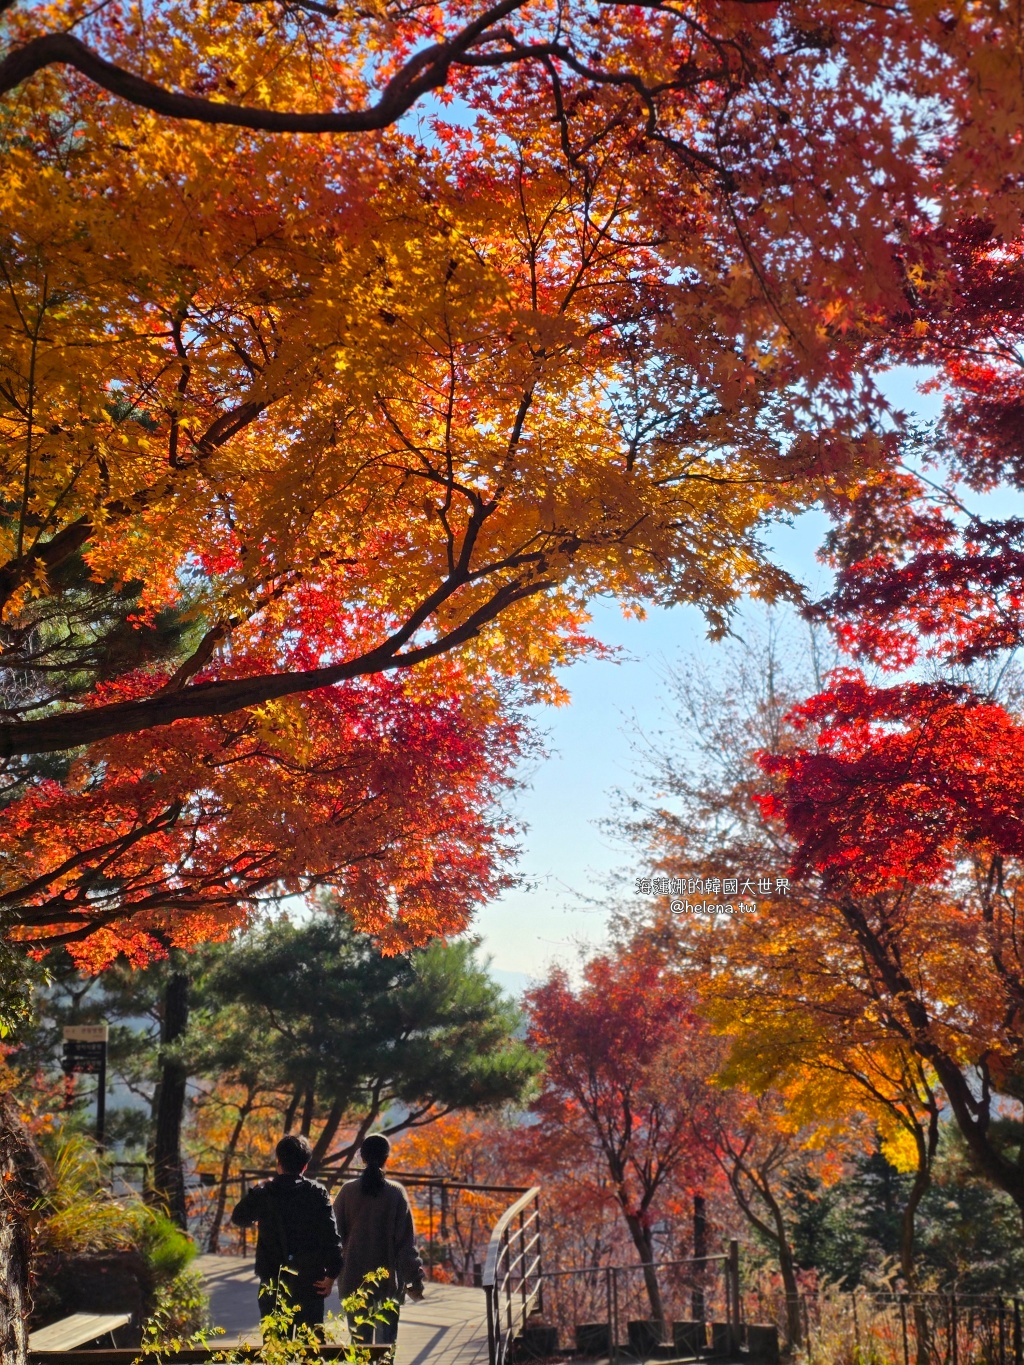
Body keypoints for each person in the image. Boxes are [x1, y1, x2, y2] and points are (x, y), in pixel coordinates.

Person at [231, 1133, 343, 1340]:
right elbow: (331, 1238)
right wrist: (331, 1275)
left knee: (275, 1346)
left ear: (279, 1163)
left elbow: (238, 1217)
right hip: (310, 1281)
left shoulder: (265, 1194)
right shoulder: (317, 1193)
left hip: (273, 1280)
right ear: (305, 1166)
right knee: (310, 1346)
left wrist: (256, 1198)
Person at [325, 1133, 425, 1347]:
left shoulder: (347, 1191)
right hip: (387, 1284)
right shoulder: (395, 1193)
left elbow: (333, 1237)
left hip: (353, 1281)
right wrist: (414, 1279)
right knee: (385, 1348)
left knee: (359, 1346)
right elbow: (405, 1245)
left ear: (362, 1158)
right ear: (386, 1159)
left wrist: (328, 1274)